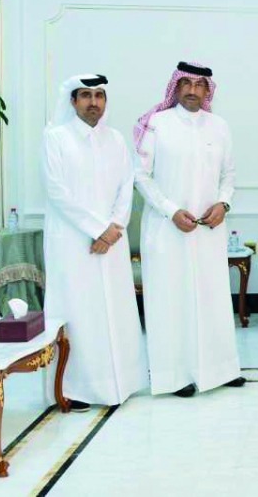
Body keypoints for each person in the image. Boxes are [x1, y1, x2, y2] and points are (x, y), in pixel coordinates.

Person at [133, 61, 245, 397]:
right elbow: (140, 175)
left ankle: (221, 370)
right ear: (176, 87)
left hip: (208, 230)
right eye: (187, 84)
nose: (193, 90)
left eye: (200, 85)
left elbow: (229, 174)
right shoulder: (156, 124)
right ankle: (174, 376)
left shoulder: (219, 126)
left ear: (208, 90)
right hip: (167, 230)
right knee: (170, 301)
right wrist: (171, 211)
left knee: (212, 299)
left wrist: (223, 204)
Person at [42, 74, 147, 410]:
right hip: (73, 243)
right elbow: (57, 191)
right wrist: (98, 229)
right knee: (78, 312)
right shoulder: (55, 138)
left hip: (110, 243)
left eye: (99, 95)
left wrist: (114, 228)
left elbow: (125, 186)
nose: (93, 102)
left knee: (113, 311)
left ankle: (118, 384)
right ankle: (72, 388)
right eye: (85, 95)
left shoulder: (116, 139)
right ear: (73, 101)